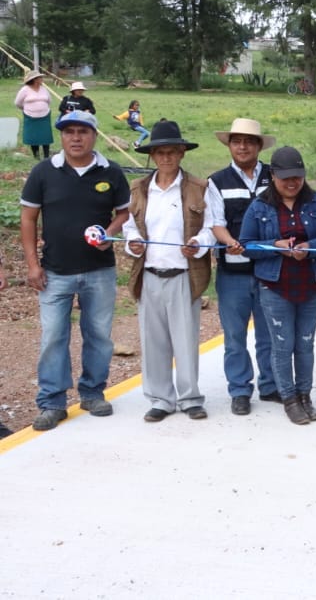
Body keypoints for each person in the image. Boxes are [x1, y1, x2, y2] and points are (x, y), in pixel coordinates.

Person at [20, 110, 130, 431]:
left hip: (99, 270)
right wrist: (32, 264)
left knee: (98, 335)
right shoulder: (43, 172)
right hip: (54, 271)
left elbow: (124, 213)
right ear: (61, 137)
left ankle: (93, 392)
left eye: (83, 131)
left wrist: (109, 233)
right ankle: (52, 402)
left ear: (94, 135)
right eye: (69, 132)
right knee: (54, 336)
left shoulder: (111, 171)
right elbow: (28, 219)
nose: (76, 138)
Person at [123, 121, 216, 422]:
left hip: (182, 275)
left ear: (181, 154)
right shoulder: (138, 189)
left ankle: (190, 397)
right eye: (160, 152)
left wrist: (197, 243)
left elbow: (211, 229)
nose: (166, 158)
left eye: (172, 152)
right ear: (152, 156)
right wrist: (133, 243)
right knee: (153, 340)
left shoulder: (199, 188)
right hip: (150, 273)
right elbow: (128, 226)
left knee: (185, 339)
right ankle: (161, 398)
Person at [239, 146, 316, 426]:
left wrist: (309, 247)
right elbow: (246, 245)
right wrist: (275, 246)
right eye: (285, 178)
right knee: (282, 345)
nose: (292, 183)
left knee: (305, 343)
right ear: (273, 176)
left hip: (312, 283)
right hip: (275, 286)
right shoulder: (260, 206)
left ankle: (305, 394)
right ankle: (289, 398)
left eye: (297, 176)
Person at [207, 117, 279, 414]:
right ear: (229, 145)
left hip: (270, 270)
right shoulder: (217, 181)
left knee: (269, 333)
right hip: (232, 272)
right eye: (237, 141)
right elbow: (216, 223)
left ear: (259, 145)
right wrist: (230, 241)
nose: (243, 146)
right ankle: (239, 390)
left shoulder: (275, 177)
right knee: (234, 335)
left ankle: (271, 384)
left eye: (249, 141)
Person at [15, 69, 53, 160]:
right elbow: (18, 103)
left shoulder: (44, 89)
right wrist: (27, 109)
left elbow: (49, 101)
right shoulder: (25, 90)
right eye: (40, 77)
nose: (42, 79)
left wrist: (41, 107)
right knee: (34, 137)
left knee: (45, 137)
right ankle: (36, 157)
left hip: (44, 116)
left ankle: (46, 156)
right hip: (30, 117)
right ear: (34, 79)